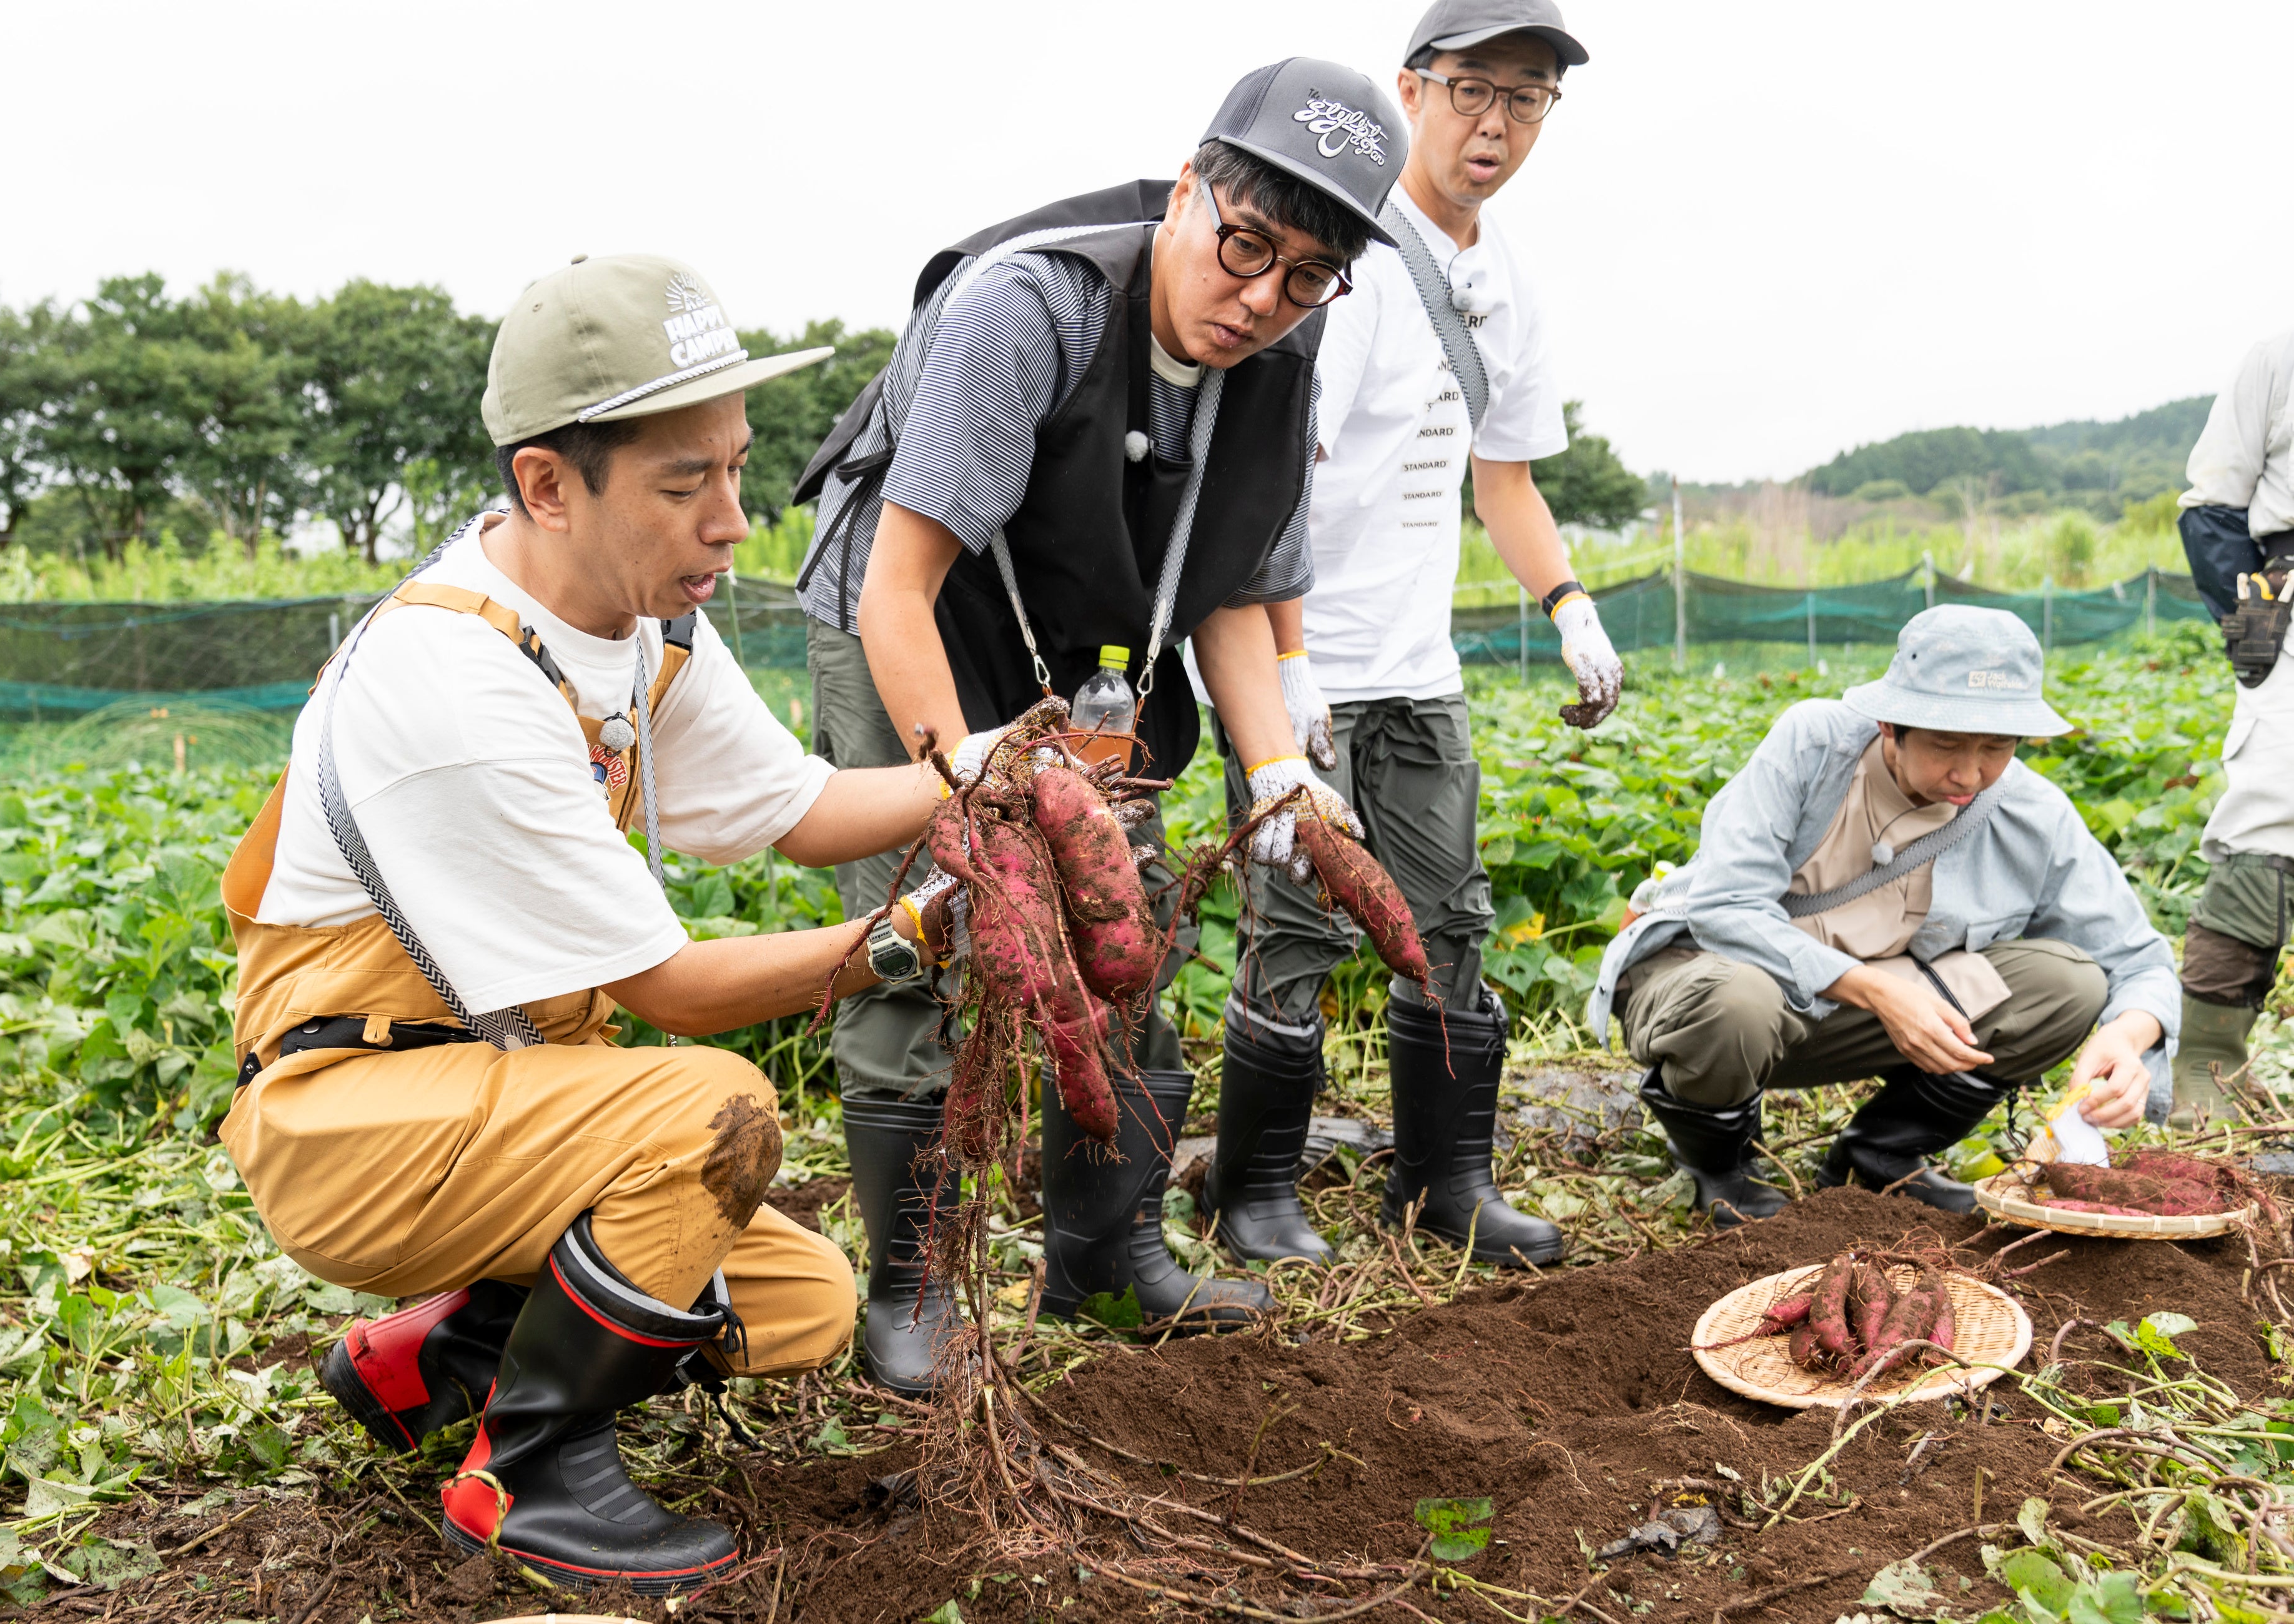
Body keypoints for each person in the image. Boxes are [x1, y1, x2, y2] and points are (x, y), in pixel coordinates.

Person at [217, 254, 964, 1593]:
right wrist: (905, 940)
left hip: (505, 1091)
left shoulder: (641, 624)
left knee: (801, 1304)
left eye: (737, 469)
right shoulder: (455, 674)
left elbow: (799, 808)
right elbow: (673, 991)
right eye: (685, 485)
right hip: (352, 1115)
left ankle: (439, 1357)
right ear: (549, 485)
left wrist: (992, 772)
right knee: (711, 1109)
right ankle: (529, 1479)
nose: (732, 521)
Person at [789, 59, 1409, 1392]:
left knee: (1124, 933)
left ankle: (1106, 1253)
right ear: (1187, 193)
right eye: (1246, 245)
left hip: (1087, 640)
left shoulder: (1284, 355)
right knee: (927, 935)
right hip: (914, 619)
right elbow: (900, 587)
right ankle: (909, 1293)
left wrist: (1277, 768)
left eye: (1311, 276)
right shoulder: (1028, 310)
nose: (1264, 298)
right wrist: (964, 783)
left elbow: (1231, 583)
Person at [1204, 0, 1622, 1272]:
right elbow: (1271, 482)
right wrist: (1290, 668)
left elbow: (1508, 480)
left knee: (1450, 922)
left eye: (1526, 98)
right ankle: (1253, 1194)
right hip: (1296, 666)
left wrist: (1570, 604)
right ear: (1413, 90)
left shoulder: (1508, 285)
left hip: (1417, 673)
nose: (1495, 123)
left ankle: (1446, 1186)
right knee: (1298, 922)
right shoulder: (1348, 266)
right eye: (1471, 90)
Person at [1590, 606, 2179, 1222]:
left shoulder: (2031, 811)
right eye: (1946, 744)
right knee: (1736, 1002)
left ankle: (1879, 1157)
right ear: (1890, 725)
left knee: (2067, 984)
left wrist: (2128, 1035)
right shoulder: (1815, 746)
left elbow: (2138, 959)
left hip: (1853, 1015)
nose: (1970, 772)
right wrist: (1873, 988)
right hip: (1717, 986)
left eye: (1997, 747)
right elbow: (1725, 904)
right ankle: (1720, 1165)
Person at [2173, 329, 2294, 1124]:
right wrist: (2256, 628)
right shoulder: (2282, 356)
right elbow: (2212, 505)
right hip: (2291, 600)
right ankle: (2205, 1074)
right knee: (2271, 820)